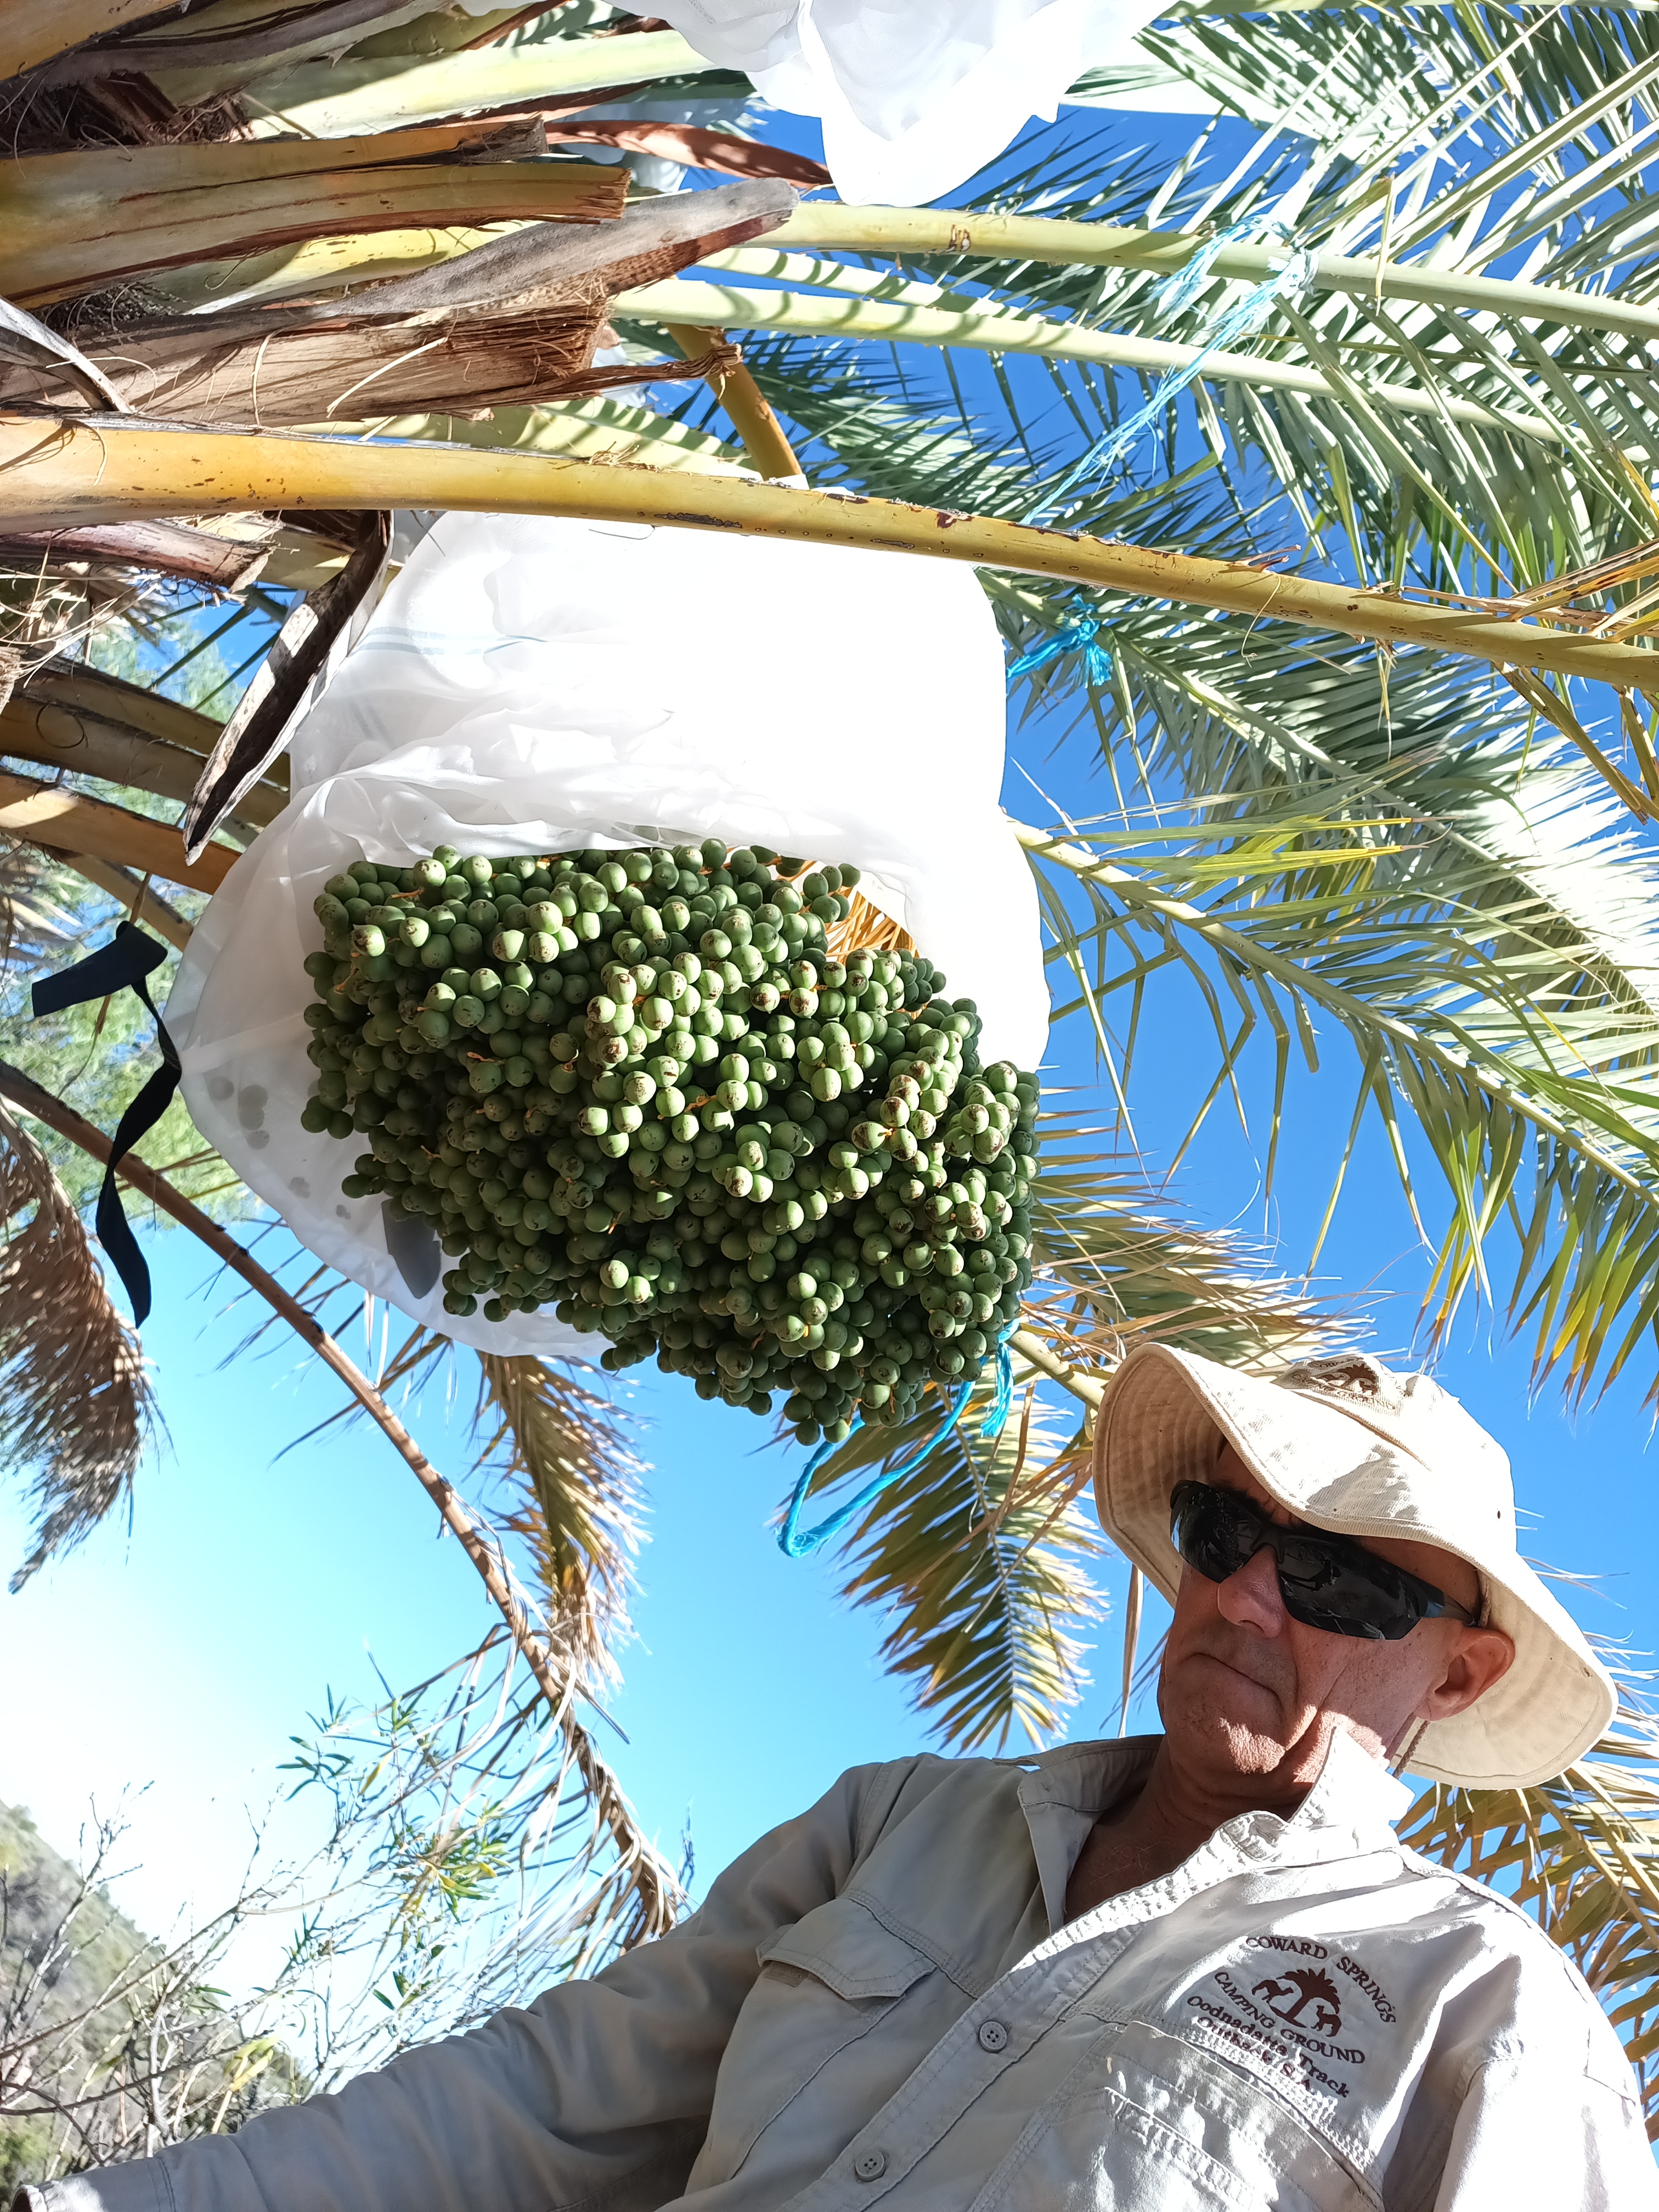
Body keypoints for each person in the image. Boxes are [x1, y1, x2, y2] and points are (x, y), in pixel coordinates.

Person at [21, 1345, 1656, 2210]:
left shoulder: (1483, 2022)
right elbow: (546, 2108)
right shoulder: (900, 1825)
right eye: (1226, 1531)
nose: (1242, 1597)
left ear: (1458, 1673)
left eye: (1337, 1581)